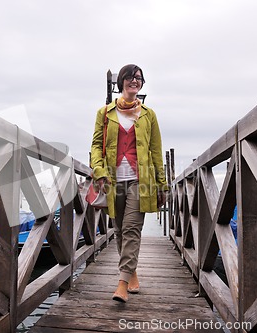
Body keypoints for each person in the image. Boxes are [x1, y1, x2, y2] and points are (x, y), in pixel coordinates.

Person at [90, 64, 168, 302]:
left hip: (140, 180)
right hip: (113, 181)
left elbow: (156, 151)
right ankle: (131, 271)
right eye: (131, 77)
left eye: (139, 78)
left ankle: (122, 283)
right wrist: (99, 170)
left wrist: (162, 184)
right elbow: (95, 145)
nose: (135, 81)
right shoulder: (105, 113)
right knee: (120, 229)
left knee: (133, 228)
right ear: (121, 81)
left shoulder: (149, 114)